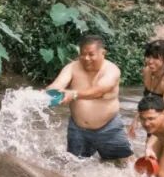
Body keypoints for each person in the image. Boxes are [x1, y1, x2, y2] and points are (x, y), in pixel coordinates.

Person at [45, 33, 132, 163]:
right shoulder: (72, 67)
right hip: (78, 129)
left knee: (123, 166)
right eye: (82, 54)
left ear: (103, 53)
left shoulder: (112, 70)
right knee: (73, 166)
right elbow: (58, 85)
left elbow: (99, 91)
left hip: (109, 127)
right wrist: (46, 94)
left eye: (91, 54)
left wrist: (73, 94)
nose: (86, 58)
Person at [129, 39, 164, 177]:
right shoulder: (147, 72)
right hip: (155, 122)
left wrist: (149, 144)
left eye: (155, 57)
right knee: (150, 169)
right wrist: (136, 119)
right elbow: (147, 99)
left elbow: (163, 117)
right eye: (148, 56)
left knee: (163, 174)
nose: (150, 61)